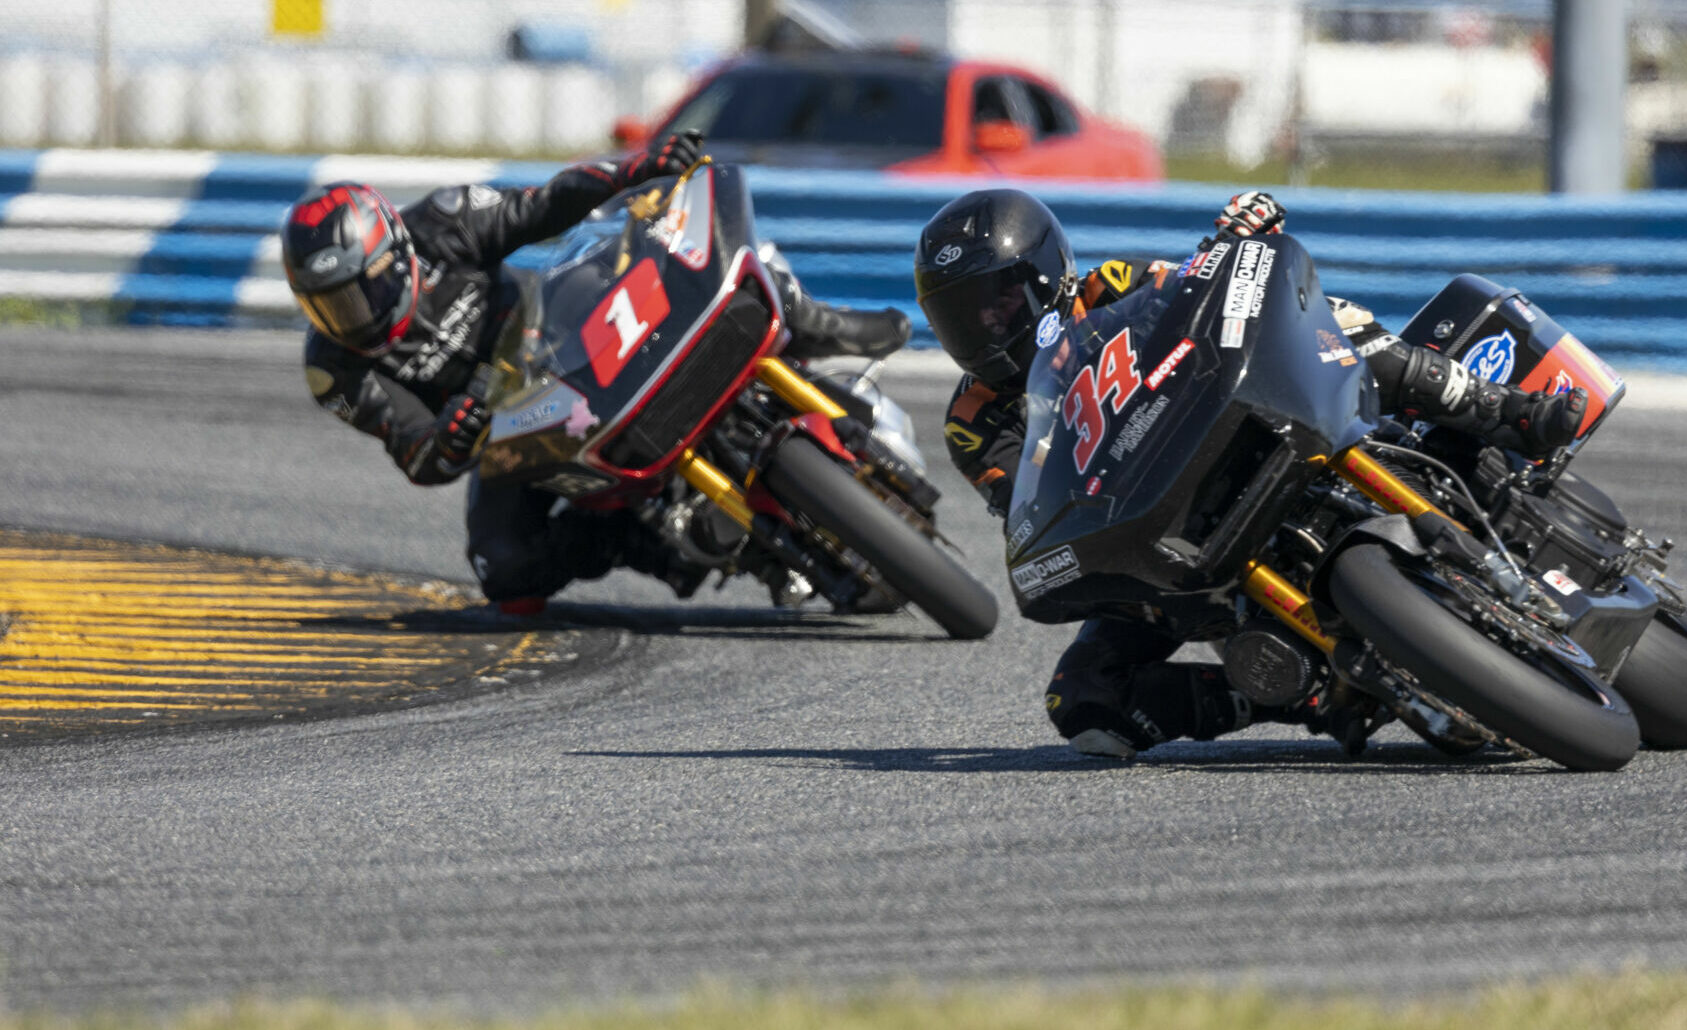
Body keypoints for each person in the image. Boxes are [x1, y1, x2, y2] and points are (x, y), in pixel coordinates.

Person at [914, 188, 1587, 759]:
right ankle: (1305, 691)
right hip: (1146, 525)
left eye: (996, 301)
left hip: (1229, 433)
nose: (984, 325)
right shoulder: (973, 421)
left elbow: (1205, 305)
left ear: (1041, 274)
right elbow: (1028, 512)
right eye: (960, 314)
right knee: (1082, 701)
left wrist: (1231, 242)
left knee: (1336, 325)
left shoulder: (1111, 285)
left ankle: (1510, 411)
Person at [284, 132, 910, 612]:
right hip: (511, 429)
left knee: (681, 250)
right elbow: (418, 454)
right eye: (328, 306)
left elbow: (548, 205)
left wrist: (636, 168)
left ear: (394, 254)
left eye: (358, 293)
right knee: (504, 576)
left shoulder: (443, 222)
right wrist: (451, 432)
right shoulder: (334, 370)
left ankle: (813, 323)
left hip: (559, 324)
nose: (350, 317)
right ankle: (642, 538)